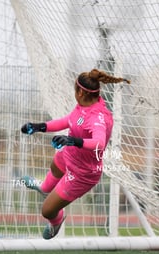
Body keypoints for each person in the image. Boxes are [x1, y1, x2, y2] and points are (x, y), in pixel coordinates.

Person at [20, 69, 130, 239]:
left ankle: (56, 222)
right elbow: (67, 121)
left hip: (83, 173)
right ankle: (43, 188)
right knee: (55, 167)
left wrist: (73, 141)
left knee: (47, 211)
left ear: (80, 92)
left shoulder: (97, 117)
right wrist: (39, 126)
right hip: (69, 156)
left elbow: (99, 143)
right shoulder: (83, 106)